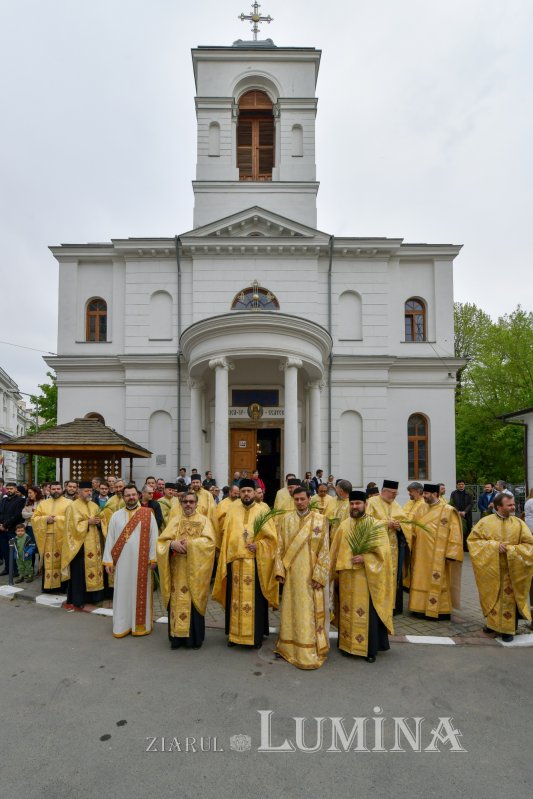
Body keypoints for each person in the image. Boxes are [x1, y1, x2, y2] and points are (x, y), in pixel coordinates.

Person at [212, 479, 278, 649]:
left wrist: (259, 545)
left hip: (256, 563)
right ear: (239, 493)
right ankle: (234, 636)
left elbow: (272, 539)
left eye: (249, 491)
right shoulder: (232, 509)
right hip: (234, 563)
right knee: (234, 601)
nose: (246, 494)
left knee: (255, 601)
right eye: (243, 491)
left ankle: (255, 637)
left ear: (255, 492)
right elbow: (227, 536)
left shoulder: (263, 510)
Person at [330, 491, 393, 662]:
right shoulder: (344, 525)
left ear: (366, 504)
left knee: (365, 614)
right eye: (352, 504)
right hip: (346, 579)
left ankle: (368, 650)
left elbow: (384, 555)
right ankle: (346, 645)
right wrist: (330, 576)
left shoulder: (375, 525)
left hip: (366, 579)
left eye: (358, 503)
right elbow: (334, 552)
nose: (354, 506)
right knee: (346, 611)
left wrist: (366, 558)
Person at [274, 486, 330, 669]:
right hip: (291, 576)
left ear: (308, 499)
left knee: (308, 611)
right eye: (296, 499)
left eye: (302, 499)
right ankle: (288, 648)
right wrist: (280, 570)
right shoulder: (285, 520)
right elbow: (279, 547)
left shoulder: (320, 521)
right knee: (291, 608)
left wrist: (319, 575)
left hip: (310, 575)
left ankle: (308, 650)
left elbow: (325, 550)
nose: (299, 502)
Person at [468, 493, 533, 642]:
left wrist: (511, 550)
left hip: (512, 570)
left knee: (509, 599)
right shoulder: (485, 522)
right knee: (493, 595)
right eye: (509, 505)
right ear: (499, 507)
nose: (513, 507)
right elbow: (473, 541)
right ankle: (492, 624)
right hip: (492, 569)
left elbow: (529, 545)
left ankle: (507, 630)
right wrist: (494, 546)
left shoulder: (519, 523)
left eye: (513, 504)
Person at [157, 490, 216, 649]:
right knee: (176, 601)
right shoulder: (175, 520)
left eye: (191, 501)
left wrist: (190, 545)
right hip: (176, 570)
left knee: (192, 601)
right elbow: (161, 542)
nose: (188, 504)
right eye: (185, 502)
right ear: (181, 503)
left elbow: (210, 543)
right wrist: (171, 545)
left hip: (195, 572)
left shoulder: (204, 521)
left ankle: (194, 640)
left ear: (196, 503)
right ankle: (177, 638)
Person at [102, 484, 158, 638]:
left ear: (138, 495)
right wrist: (108, 561)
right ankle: (122, 625)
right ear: (123, 497)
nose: (131, 497)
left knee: (139, 592)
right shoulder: (116, 516)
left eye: (133, 494)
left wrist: (154, 557)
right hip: (121, 563)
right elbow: (110, 539)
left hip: (142, 563)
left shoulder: (148, 514)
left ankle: (139, 625)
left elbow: (154, 537)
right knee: (122, 593)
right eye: (128, 495)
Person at [409, 483, 463, 620]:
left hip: (438, 555)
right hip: (421, 553)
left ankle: (440, 610)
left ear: (435, 494)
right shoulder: (421, 507)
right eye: (424, 494)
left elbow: (455, 533)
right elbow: (412, 525)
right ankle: (419, 608)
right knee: (420, 578)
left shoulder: (448, 510)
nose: (424, 496)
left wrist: (452, 553)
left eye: (427, 494)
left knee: (439, 580)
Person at [61, 481, 105, 609]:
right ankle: (79, 599)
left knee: (95, 572)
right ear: (79, 491)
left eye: (90, 490)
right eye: (86, 491)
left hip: (94, 545)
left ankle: (94, 598)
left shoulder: (94, 505)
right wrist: (88, 522)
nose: (89, 493)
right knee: (80, 573)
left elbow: (102, 520)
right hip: (80, 546)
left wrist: (98, 522)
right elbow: (71, 527)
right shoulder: (73, 506)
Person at [367, 480, 405, 614]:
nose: (394, 496)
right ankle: (377, 605)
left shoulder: (396, 504)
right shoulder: (372, 502)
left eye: (396, 493)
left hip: (393, 548)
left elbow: (405, 522)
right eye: (392, 493)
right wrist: (386, 524)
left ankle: (390, 605)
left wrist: (399, 526)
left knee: (392, 574)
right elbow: (366, 522)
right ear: (384, 491)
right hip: (377, 547)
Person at [31, 481, 70, 592]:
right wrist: (45, 519)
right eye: (54, 489)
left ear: (62, 489)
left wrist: (57, 519)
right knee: (48, 563)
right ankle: (48, 587)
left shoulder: (69, 503)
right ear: (49, 490)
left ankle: (62, 588)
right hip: (47, 538)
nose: (56, 491)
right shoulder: (43, 503)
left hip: (62, 538)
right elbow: (34, 519)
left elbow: (72, 520)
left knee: (62, 562)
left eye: (58, 489)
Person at [0, 482, 26, 576]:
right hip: (2, 530)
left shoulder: (20, 501)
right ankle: (7, 569)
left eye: (11, 488)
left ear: (15, 489)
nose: (9, 490)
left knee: (15, 551)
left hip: (12, 529)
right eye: (7, 488)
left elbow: (17, 516)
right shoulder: (4, 500)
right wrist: (0, 525)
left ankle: (16, 570)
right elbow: (1, 513)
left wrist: (5, 525)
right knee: (5, 550)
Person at [449, 480, 473, 551]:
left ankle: (466, 547)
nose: (461, 485)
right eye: (459, 484)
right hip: (457, 514)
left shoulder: (469, 493)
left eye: (462, 484)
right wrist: (458, 511)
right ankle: (458, 546)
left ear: (464, 485)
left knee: (467, 530)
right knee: (457, 530)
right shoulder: (453, 493)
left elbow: (471, 504)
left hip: (467, 515)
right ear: (457, 485)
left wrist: (465, 511)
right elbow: (452, 503)